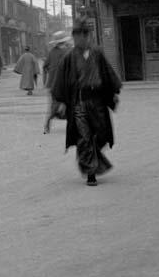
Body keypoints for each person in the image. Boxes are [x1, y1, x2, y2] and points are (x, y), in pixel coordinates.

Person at [52, 17, 121, 187]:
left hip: (97, 101)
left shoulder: (97, 53)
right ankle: (91, 173)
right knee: (84, 136)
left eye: (82, 35)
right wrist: (60, 102)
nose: (79, 39)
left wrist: (113, 93)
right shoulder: (69, 57)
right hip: (79, 102)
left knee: (101, 134)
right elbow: (60, 80)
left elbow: (107, 74)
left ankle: (89, 157)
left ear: (87, 36)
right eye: (75, 36)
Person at [42, 30, 70, 133]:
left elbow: (45, 66)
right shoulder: (67, 52)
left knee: (54, 104)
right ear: (63, 42)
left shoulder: (51, 52)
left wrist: (46, 81)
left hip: (52, 85)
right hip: (64, 84)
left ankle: (47, 124)